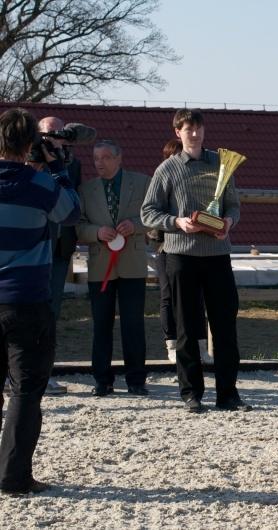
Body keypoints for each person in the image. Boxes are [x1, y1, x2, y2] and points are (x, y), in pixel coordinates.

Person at [141, 109, 248, 414]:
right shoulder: (167, 169)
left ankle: (228, 394)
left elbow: (233, 205)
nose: (195, 133)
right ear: (178, 132)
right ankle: (191, 393)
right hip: (181, 256)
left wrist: (228, 222)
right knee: (187, 327)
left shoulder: (222, 163)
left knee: (225, 325)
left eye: (199, 127)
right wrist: (177, 222)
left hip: (217, 255)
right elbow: (148, 212)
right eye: (188, 128)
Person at [0, 108, 80, 494]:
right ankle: (13, 476)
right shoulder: (39, 184)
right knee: (26, 391)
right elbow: (71, 212)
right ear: (30, 143)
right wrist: (58, 167)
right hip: (26, 298)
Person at [76, 140, 149, 396]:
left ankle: (136, 380)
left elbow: (154, 216)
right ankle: (102, 380)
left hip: (133, 264)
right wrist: (96, 232)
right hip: (100, 266)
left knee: (133, 324)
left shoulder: (142, 182)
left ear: (119, 158)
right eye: (96, 158)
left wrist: (135, 226)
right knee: (101, 325)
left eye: (106, 157)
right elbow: (78, 226)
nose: (100, 163)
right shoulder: (86, 190)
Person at [151, 139, 210, 364]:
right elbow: (152, 218)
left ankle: (201, 346)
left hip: (195, 247)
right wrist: (174, 222)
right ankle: (172, 344)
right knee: (168, 295)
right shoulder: (161, 180)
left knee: (198, 297)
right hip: (166, 247)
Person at [39, 116, 83, 395]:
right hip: (31, 246)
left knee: (51, 313)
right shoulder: (27, 159)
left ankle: (45, 372)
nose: (54, 138)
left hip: (59, 249)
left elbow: (73, 201)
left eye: (59, 133)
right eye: (49, 133)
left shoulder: (72, 163)